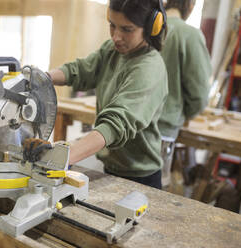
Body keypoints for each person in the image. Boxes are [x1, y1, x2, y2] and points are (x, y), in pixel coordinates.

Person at [45, 0, 168, 189]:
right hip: (111, 167)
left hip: (140, 178)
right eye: (112, 25)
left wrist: (62, 157)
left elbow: (116, 124)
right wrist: (42, 78)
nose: (116, 37)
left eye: (127, 29)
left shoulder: (149, 68)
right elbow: (81, 70)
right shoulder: (112, 51)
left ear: (151, 27)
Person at [158, 0, 212, 188]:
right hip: (163, 131)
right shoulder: (189, 34)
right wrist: (186, 114)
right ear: (189, 6)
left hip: (131, 126)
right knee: (150, 193)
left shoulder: (146, 28)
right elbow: (199, 93)